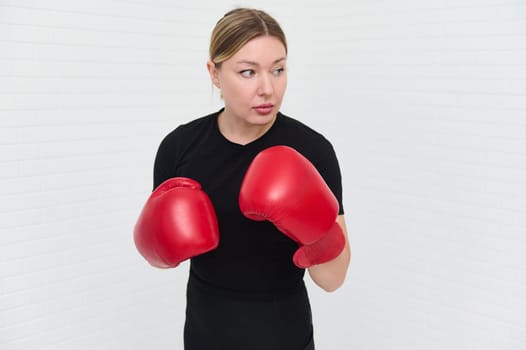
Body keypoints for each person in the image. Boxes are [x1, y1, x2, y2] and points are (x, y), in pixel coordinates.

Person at [133, 7, 351, 350]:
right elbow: (163, 258)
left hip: (286, 337)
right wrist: (158, 242)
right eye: (248, 72)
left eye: (278, 69)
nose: (268, 88)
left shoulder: (313, 150)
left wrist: (313, 229)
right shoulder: (179, 148)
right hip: (206, 336)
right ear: (215, 73)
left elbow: (333, 279)